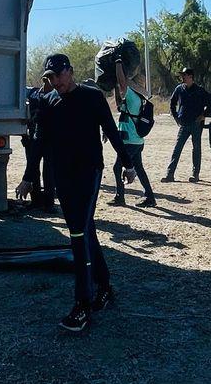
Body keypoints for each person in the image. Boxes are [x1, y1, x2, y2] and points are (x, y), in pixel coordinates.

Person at [16, 54, 134, 333]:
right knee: (84, 230)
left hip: (89, 172)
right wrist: (28, 177)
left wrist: (128, 163)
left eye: (57, 76)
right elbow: (39, 142)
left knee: (78, 235)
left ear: (70, 71)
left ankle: (82, 305)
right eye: (49, 78)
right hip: (63, 176)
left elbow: (111, 131)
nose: (54, 82)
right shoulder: (48, 102)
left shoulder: (92, 97)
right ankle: (104, 286)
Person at [110, 56, 156, 209]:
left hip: (129, 140)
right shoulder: (137, 98)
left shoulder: (132, 96)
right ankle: (150, 197)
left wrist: (118, 64)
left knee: (117, 167)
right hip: (136, 140)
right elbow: (120, 104)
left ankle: (120, 197)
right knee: (139, 169)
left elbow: (122, 82)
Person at [162, 68, 211, 182]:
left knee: (196, 149)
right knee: (177, 148)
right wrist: (176, 117)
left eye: (184, 75)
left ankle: (195, 175)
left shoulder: (200, 90)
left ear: (191, 76)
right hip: (184, 124)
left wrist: (204, 115)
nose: (182, 77)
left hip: (197, 125)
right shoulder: (179, 89)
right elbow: (172, 103)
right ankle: (170, 174)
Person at [22, 83, 55, 211]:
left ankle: (41, 201)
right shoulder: (52, 97)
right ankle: (45, 202)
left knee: (42, 170)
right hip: (39, 138)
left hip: (38, 138)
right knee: (44, 170)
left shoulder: (33, 95)